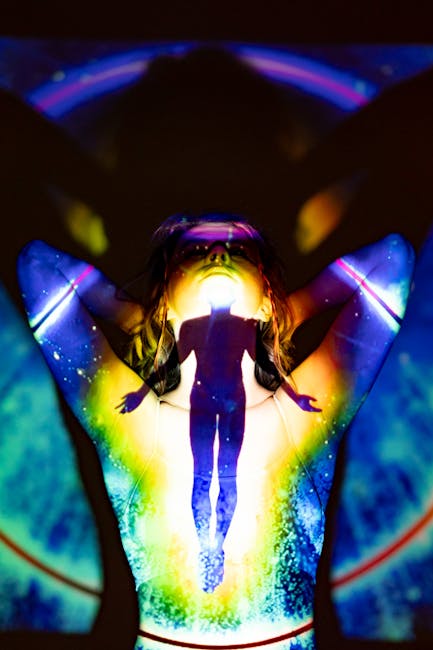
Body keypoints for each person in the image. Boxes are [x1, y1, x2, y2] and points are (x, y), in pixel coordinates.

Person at [17, 212, 414, 650]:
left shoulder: (299, 422)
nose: (219, 253)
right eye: (195, 251)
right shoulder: (134, 424)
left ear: (265, 298)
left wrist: (291, 312)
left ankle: (217, 542)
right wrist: (135, 316)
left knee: (222, 475)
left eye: (239, 250)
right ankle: (209, 547)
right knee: (204, 475)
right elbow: (37, 265)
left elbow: (392, 258)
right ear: (166, 299)